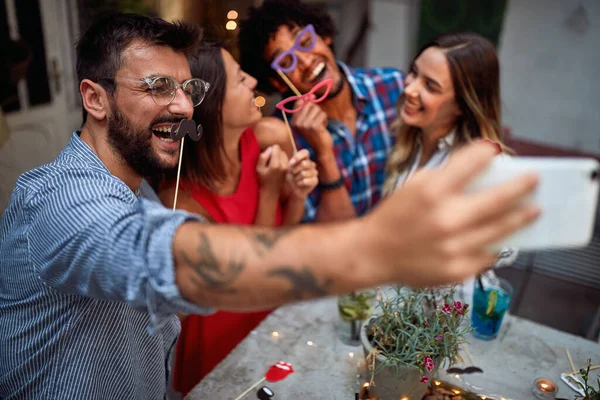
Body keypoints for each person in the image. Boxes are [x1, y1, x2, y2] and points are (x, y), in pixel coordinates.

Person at [0, 13, 540, 400]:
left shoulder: (138, 189)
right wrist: (377, 247)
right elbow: (177, 262)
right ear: (95, 99)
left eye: (187, 87)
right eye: (158, 86)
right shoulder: (56, 195)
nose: (183, 104)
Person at [157, 39, 318, 394]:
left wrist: (299, 195)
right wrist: (271, 192)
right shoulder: (180, 200)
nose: (251, 80)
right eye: (238, 77)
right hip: (220, 338)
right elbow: (248, 274)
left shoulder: (271, 136)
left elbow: (285, 241)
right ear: (211, 106)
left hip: (272, 312)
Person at [238, 0, 405, 222]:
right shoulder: (282, 139)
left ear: (324, 35)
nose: (306, 62)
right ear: (277, 83)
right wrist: (323, 153)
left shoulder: (394, 87)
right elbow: (327, 236)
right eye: (287, 61)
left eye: (305, 41)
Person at [383, 32, 519, 301]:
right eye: (414, 73)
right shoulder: (409, 139)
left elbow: (510, 248)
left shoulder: (486, 163)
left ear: (461, 104)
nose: (409, 89)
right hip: (395, 300)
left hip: (446, 319)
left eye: (430, 86)